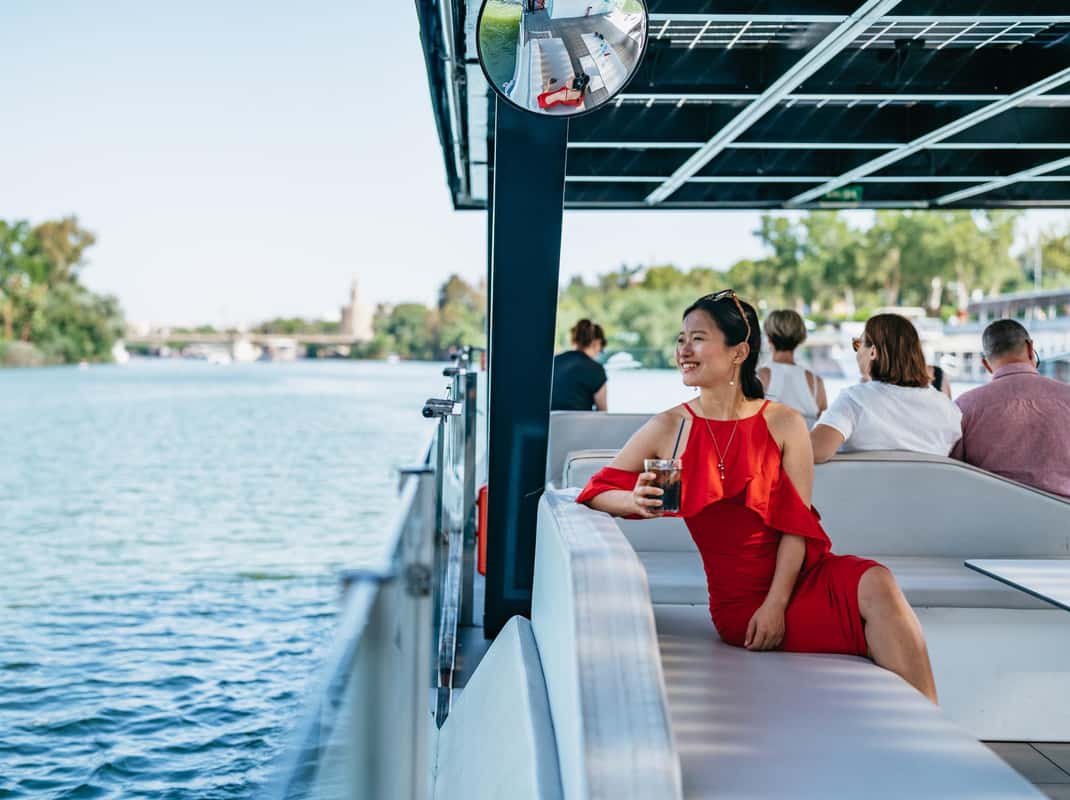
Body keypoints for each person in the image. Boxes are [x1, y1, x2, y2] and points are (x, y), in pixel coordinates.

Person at [576, 291, 937, 703]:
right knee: (879, 615)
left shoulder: (784, 423)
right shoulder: (669, 426)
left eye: (697, 338)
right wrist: (634, 501)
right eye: (680, 339)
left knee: (879, 580)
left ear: (739, 352)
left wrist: (777, 604)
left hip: (800, 578)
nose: (683, 350)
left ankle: (930, 726)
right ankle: (909, 732)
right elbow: (596, 490)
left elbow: (797, 525)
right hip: (741, 604)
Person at [811, 314, 962, 464]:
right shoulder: (949, 410)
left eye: (858, 344)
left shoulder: (854, 400)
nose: (857, 353)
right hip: (930, 488)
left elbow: (814, 452)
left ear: (873, 352)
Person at [951, 319, 1070, 497]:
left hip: (992, 517)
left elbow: (954, 475)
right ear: (1030, 348)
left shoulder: (965, 406)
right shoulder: (1066, 396)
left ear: (986, 364)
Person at [757, 309, 827, 428]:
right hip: (806, 445)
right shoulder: (816, 382)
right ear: (801, 338)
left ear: (768, 338)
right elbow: (822, 427)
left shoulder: (759, 377)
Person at [551, 319, 608, 411]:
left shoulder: (555, 361)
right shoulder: (596, 369)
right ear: (597, 343)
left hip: (550, 422)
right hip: (579, 423)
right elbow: (602, 411)